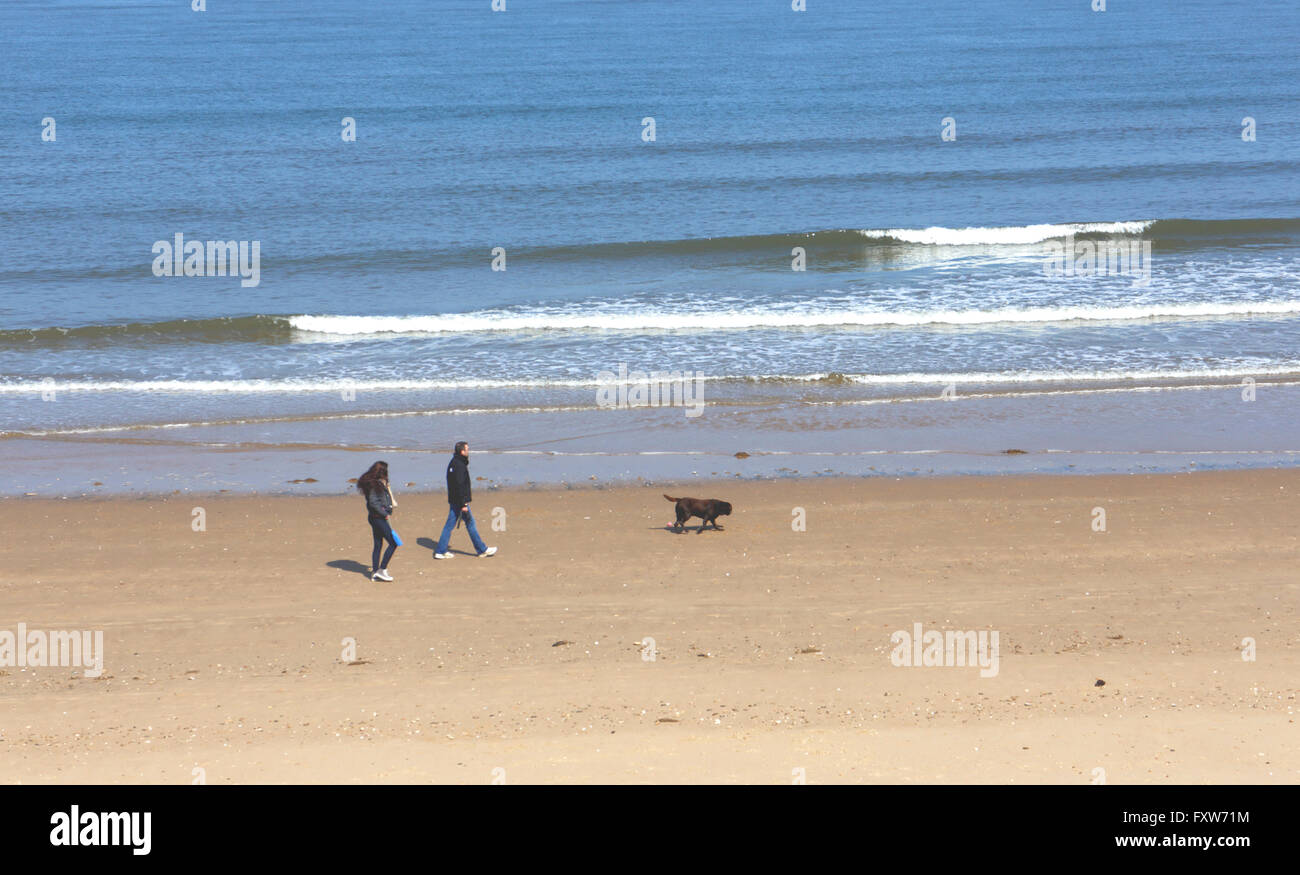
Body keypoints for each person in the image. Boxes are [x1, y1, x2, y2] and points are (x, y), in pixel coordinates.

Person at [434, 441, 497, 559]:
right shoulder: (459, 465)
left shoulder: (454, 463)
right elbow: (460, 485)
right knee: (470, 523)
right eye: (467, 449)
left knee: (450, 525)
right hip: (459, 502)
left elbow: (454, 484)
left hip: (454, 500)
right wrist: (463, 504)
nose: (468, 451)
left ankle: (440, 550)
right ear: (462, 451)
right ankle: (482, 549)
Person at [357, 460, 398, 580]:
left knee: (378, 544)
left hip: (375, 517)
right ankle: (382, 569)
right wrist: (384, 514)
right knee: (393, 543)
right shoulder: (374, 485)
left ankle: (375, 572)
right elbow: (373, 502)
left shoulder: (375, 483)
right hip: (378, 518)